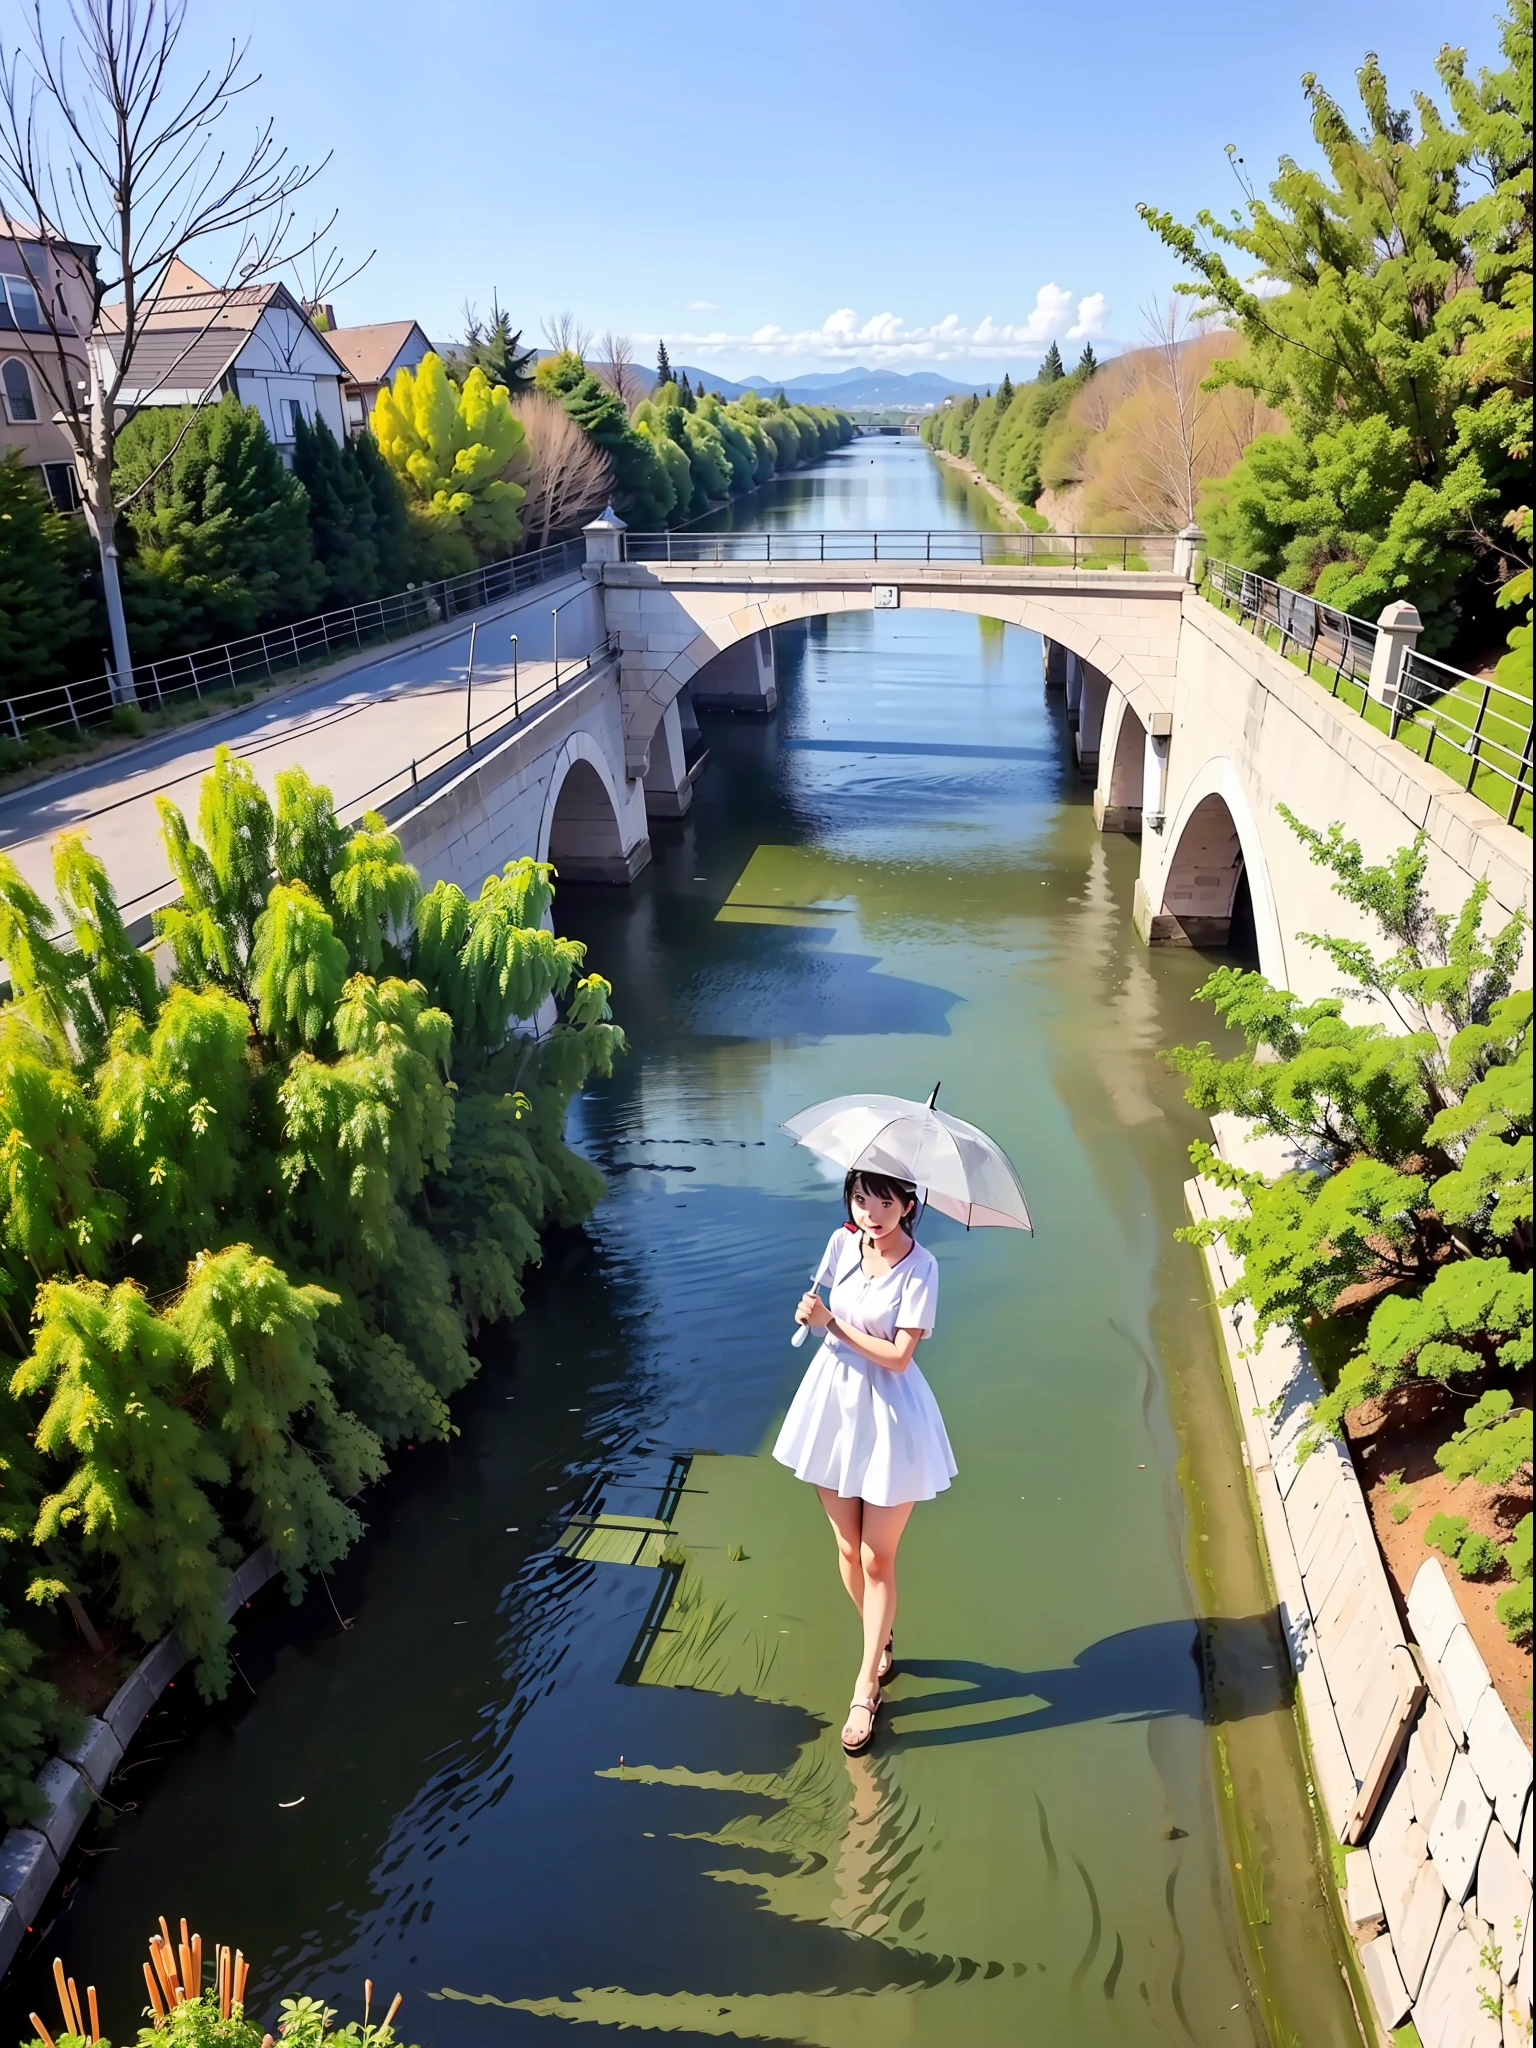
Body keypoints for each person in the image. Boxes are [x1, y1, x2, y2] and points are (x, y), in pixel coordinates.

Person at [773, 1169, 956, 1755]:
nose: (871, 1212)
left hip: (890, 1415)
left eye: (884, 1201)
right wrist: (811, 1314)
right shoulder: (840, 1242)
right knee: (848, 1550)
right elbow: (821, 1302)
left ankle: (865, 1683)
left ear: (908, 1205)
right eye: (860, 1199)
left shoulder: (922, 1267)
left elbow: (900, 1357)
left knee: (878, 1557)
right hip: (832, 1406)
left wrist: (835, 1325)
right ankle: (881, 1641)